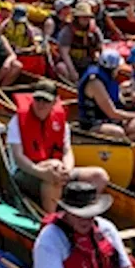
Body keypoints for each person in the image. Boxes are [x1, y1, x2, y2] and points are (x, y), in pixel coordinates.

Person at [8, 80, 108, 214]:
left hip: (57, 169)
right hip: (27, 172)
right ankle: (52, 220)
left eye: (46, 101)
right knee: (53, 174)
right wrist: (41, 172)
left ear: (54, 102)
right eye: (37, 99)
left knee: (100, 176)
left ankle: (82, 214)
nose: (41, 104)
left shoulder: (61, 123)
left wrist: (67, 170)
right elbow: (18, 158)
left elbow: (67, 151)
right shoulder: (17, 121)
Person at [78, 48, 135, 141]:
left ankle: (125, 145)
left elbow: (118, 101)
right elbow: (112, 112)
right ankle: (121, 146)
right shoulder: (95, 82)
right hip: (93, 124)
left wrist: (126, 93)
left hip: (112, 121)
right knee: (117, 132)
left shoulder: (111, 77)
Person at [55, 2, 103, 85]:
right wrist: (72, 71)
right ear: (77, 17)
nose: (86, 19)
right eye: (83, 17)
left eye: (88, 17)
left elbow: (100, 48)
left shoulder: (95, 31)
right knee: (61, 68)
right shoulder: (67, 32)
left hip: (88, 62)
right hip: (72, 63)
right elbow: (64, 54)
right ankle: (72, 86)